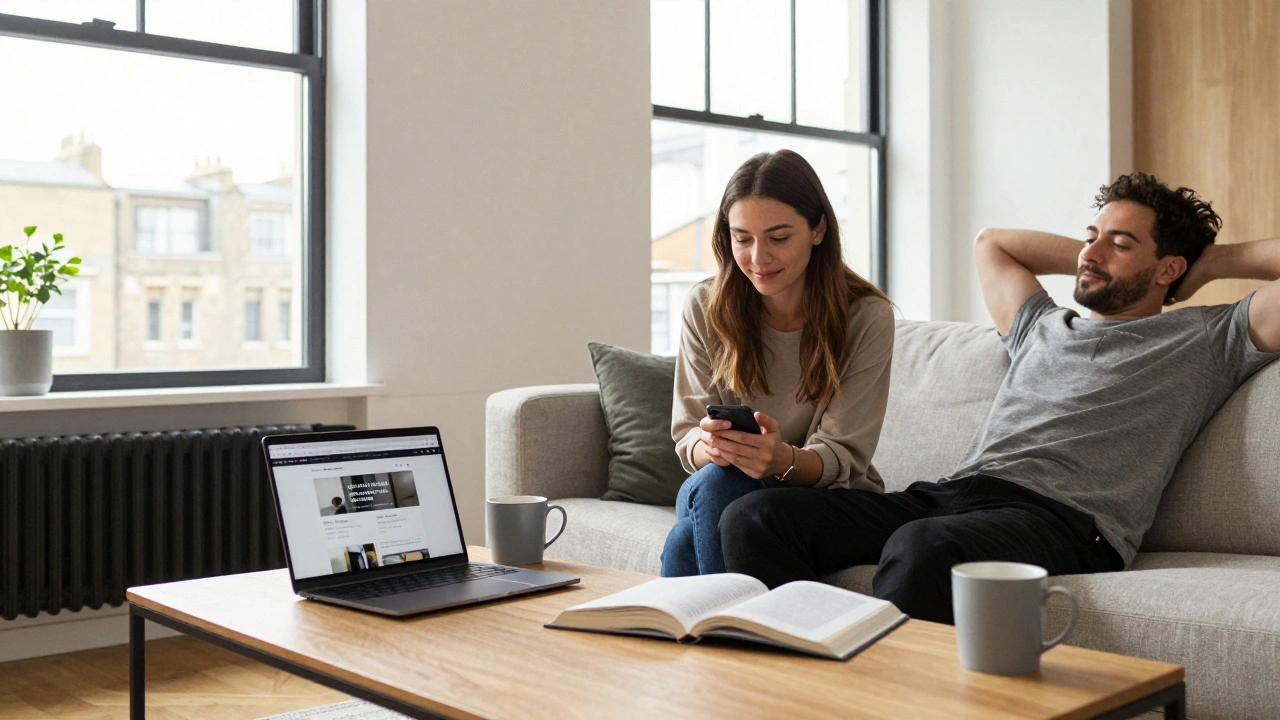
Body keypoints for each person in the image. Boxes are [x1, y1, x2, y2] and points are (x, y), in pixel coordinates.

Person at [719, 171, 1280, 622]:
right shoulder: (1043, 325)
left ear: (1169, 268)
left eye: (1120, 243)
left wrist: (1210, 263)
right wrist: (1099, 252)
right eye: (1091, 236)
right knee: (756, 516)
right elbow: (992, 243)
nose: (1091, 253)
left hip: (1066, 521)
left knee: (924, 547)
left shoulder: (1209, 337)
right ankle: (805, 684)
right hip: (955, 495)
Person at [659, 149, 896, 577]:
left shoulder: (866, 316)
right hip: (723, 482)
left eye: (779, 238)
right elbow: (688, 434)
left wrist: (780, 459)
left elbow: (843, 455)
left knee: (685, 538)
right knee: (718, 483)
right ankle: (745, 617)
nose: (758, 258)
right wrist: (712, 446)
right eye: (742, 238)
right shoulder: (705, 306)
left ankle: (713, 618)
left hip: (827, 499)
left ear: (818, 229)